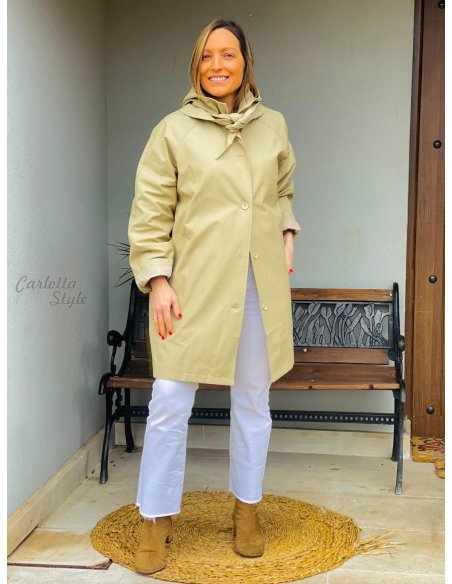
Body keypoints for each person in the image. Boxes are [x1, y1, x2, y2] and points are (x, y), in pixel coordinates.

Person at [127, 18, 301, 575]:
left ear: (245, 61)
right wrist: (158, 279)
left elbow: (282, 189)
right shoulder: (172, 131)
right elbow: (150, 212)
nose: (217, 65)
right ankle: (155, 517)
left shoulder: (272, 125)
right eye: (207, 56)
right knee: (169, 401)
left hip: (256, 284)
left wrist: (287, 231)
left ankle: (247, 509)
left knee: (252, 401)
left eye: (228, 54)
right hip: (192, 287)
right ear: (195, 66)